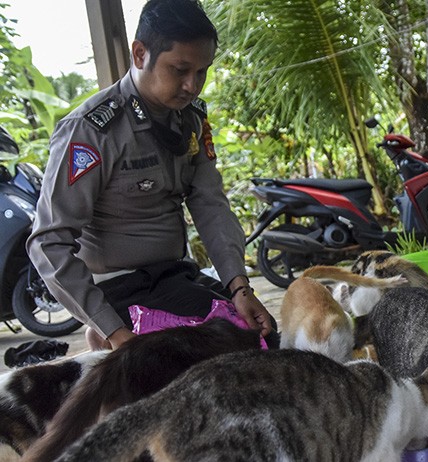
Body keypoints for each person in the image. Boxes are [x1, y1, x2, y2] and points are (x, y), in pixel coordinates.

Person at [27, 0, 278, 351]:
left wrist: (240, 289)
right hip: (117, 288)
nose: (193, 86)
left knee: (263, 334)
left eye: (202, 72)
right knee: (225, 350)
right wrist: (114, 331)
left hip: (174, 278)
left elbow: (210, 205)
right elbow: (49, 243)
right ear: (141, 53)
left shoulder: (189, 120)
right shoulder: (92, 131)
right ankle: (100, 336)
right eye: (180, 69)